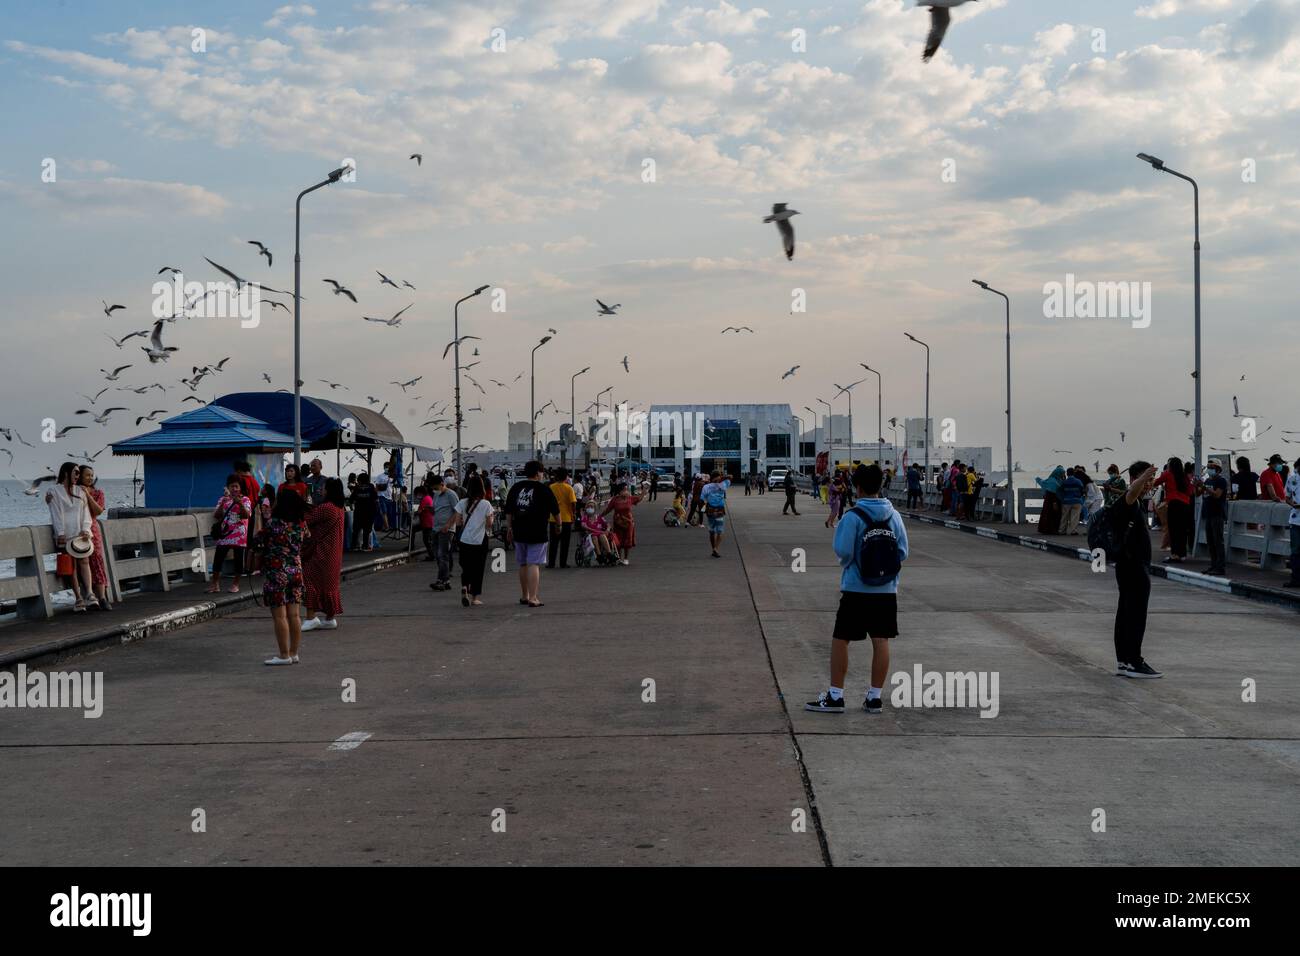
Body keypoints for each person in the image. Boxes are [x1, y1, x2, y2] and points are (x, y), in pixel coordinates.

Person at [806, 464, 908, 715]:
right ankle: (874, 698)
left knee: (841, 639)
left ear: (857, 486)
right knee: (881, 640)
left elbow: (843, 551)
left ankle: (836, 696)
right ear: (880, 486)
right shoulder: (894, 516)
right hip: (886, 591)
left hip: (856, 589)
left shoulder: (852, 517)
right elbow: (903, 551)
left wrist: (852, 565)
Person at [1111, 461, 1162, 678]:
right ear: (1134, 479)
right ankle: (1134, 661)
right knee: (1135, 615)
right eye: (1145, 480)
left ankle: (1124, 661)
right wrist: (1145, 476)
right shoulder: (1129, 500)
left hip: (1130, 566)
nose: (1149, 484)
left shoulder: (1136, 503)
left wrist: (1146, 479)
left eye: (1151, 481)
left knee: (1126, 613)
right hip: (1133, 568)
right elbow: (1132, 491)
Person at [260, 489, 308, 665]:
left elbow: (259, 539)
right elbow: (306, 539)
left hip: (277, 572)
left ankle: (283, 655)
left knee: (280, 616)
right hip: (296, 571)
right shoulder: (301, 524)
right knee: (294, 615)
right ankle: (294, 653)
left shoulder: (273, 524)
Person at [504, 460, 559, 607]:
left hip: (518, 530)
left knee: (523, 563)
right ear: (538, 473)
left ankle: (524, 595)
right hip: (537, 531)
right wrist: (558, 525)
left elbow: (508, 511)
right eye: (542, 472)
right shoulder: (544, 489)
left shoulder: (515, 488)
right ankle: (533, 598)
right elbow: (555, 510)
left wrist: (509, 528)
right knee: (533, 563)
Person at [47, 462, 95, 612]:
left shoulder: (80, 491)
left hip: (80, 533)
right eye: (75, 473)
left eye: (78, 473)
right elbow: (55, 513)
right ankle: (78, 598)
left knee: (84, 561)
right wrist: (60, 532)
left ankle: (90, 594)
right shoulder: (54, 491)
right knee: (71, 565)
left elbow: (85, 512)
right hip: (65, 535)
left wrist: (86, 529)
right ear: (67, 473)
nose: (78, 476)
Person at [301, 477, 345, 631]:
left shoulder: (326, 507)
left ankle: (311, 617)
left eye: (324, 487)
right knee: (329, 585)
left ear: (330, 490)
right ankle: (329, 618)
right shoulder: (339, 508)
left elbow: (307, 519)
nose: (321, 489)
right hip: (333, 553)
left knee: (309, 581)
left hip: (322, 553)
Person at [453, 474, 494, 606]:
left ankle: (465, 586)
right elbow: (489, 524)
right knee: (478, 569)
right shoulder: (486, 504)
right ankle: (474, 597)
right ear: (482, 488)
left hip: (465, 540)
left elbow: (458, 522)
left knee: (466, 567)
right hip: (480, 540)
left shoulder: (461, 503)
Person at [207, 474, 252, 594]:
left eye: (236, 486)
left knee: (238, 561)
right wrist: (223, 504)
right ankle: (215, 584)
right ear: (228, 487)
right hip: (225, 534)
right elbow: (216, 515)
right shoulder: (223, 499)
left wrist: (240, 503)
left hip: (239, 535)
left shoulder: (246, 500)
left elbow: (246, 515)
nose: (234, 489)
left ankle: (235, 584)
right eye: (232, 486)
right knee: (218, 559)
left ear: (240, 488)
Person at [77, 465, 112, 610]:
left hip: (92, 530)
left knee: (97, 560)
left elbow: (98, 511)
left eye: (92, 475)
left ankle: (102, 597)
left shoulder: (98, 493)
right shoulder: (73, 492)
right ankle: (88, 598)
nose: (90, 478)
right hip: (77, 531)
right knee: (81, 564)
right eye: (87, 475)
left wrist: (88, 495)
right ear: (79, 476)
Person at [1152, 456, 1191, 563]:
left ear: (1171, 465)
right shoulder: (1185, 476)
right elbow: (1190, 491)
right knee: (1182, 531)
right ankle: (1182, 554)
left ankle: (1175, 555)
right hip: (1185, 505)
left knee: (1173, 530)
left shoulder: (1168, 474)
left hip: (1174, 504)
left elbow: (1154, 483)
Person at [425, 476, 459, 590]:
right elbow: (436, 510)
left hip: (446, 529)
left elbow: (457, 512)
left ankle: (441, 580)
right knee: (438, 556)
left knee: (442, 554)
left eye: (435, 487)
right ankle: (446, 580)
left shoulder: (451, 494)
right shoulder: (436, 495)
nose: (434, 489)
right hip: (436, 528)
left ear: (441, 484)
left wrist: (448, 525)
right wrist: (430, 509)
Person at [601, 481, 643, 565]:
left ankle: (626, 558)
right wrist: (599, 516)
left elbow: (639, 499)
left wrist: (644, 490)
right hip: (618, 522)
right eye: (624, 489)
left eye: (627, 489)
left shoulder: (630, 498)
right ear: (620, 491)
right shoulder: (614, 500)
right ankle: (619, 558)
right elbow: (608, 509)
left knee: (627, 540)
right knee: (618, 541)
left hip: (628, 522)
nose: (626, 491)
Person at [1200, 460, 1229, 577]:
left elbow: (1217, 495)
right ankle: (1213, 565)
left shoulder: (1221, 481)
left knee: (1218, 541)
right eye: (1208, 467)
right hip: (1208, 513)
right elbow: (1198, 493)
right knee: (1210, 541)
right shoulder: (1207, 480)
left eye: (1211, 467)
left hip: (1217, 513)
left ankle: (1220, 567)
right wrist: (1198, 486)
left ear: (1218, 469)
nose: (1209, 469)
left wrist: (1204, 487)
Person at [548, 468, 578, 569]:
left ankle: (551, 563)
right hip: (566, 519)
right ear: (566, 477)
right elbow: (573, 503)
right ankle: (563, 563)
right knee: (565, 543)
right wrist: (573, 514)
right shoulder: (569, 488)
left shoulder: (551, 487)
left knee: (553, 542)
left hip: (553, 519)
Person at [701, 470, 731, 558]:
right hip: (717, 510)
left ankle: (715, 549)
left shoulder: (707, 486)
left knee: (717, 531)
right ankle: (715, 548)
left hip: (712, 510)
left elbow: (702, 499)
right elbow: (730, 477)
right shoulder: (723, 484)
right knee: (714, 531)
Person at [349, 472, 378, 551]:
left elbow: (351, 500)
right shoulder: (371, 487)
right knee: (367, 530)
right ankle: (365, 546)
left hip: (358, 512)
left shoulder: (357, 488)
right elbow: (376, 498)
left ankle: (353, 546)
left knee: (356, 530)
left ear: (360, 480)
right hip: (369, 512)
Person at [1284, 457, 1300, 589]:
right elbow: (1287, 497)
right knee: (1295, 551)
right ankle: (1295, 579)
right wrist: (1293, 504)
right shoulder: (1292, 479)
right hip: (1295, 519)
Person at [1036, 465, 1065, 535]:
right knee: (1052, 515)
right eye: (1063, 473)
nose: (1064, 474)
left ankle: (1048, 529)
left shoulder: (1056, 479)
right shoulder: (1053, 481)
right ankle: (1051, 530)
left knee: (1050, 514)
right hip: (1052, 501)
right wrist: (1054, 503)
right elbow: (1052, 493)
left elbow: (1043, 483)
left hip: (1052, 501)